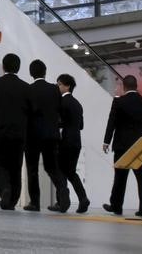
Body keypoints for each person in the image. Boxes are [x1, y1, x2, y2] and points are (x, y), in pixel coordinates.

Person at [102, 75, 142, 216]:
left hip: (121, 146)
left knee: (120, 177)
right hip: (141, 146)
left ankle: (116, 206)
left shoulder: (118, 102)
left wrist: (106, 141)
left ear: (124, 87)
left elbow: (112, 123)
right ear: (136, 86)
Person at [0, 53, 31, 210]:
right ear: (18, 68)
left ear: (3, 67)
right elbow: (30, 113)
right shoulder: (26, 88)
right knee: (15, 166)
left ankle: (5, 188)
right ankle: (12, 201)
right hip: (19, 134)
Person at [23, 59, 70, 212]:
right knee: (52, 167)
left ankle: (35, 203)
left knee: (32, 169)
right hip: (51, 134)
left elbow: (26, 114)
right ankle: (63, 195)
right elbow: (61, 111)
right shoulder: (54, 89)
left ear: (31, 73)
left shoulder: (28, 90)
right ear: (45, 72)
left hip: (32, 136)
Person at [56, 74, 89, 213]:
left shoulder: (62, 102)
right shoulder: (77, 104)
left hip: (66, 141)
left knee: (60, 172)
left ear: (67, 86)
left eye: (59, 85)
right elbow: (81, 125)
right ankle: (83, 199)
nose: (57, 87)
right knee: (70, 172)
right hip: (76, 141)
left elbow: (59, 122)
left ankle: (62, 202)